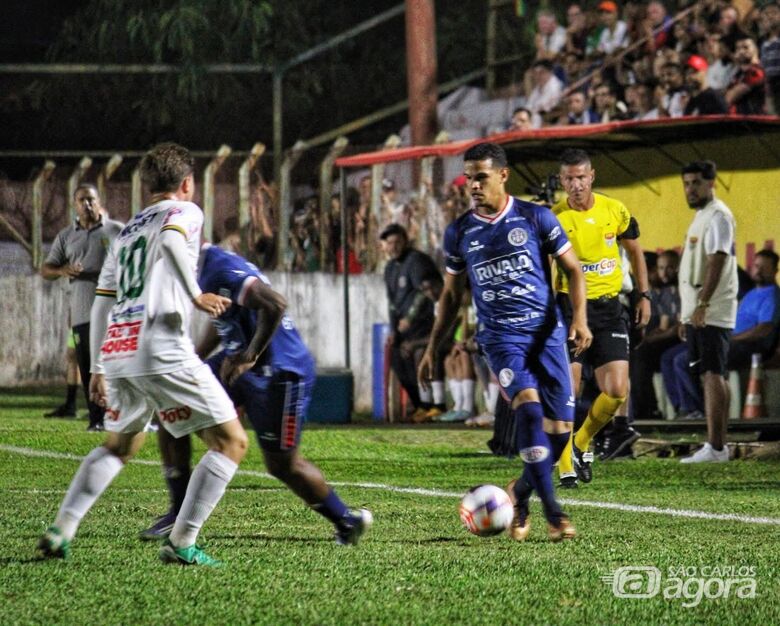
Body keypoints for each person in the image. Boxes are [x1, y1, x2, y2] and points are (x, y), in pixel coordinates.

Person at [37, 142, 248, 566]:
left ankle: (62, 529)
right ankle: (182, 541)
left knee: (119, 445)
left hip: (119, 348)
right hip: (161, 347)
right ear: (186, 183)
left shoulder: (128, 230)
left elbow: (102, 301)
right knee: (231, 442)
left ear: (147, 186)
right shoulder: (185, 211)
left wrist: (98, 366)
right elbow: (170, 242)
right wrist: (196, 294)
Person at [140, 243, 372, 545]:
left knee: (282, 465)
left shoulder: (219, 268)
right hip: (238, 361)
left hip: (280, 372)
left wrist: (250, 355)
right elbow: (224, 316)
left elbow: (275, 304)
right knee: (172, 402)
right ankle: (177, 511)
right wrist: (195, 358)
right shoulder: (202, 268)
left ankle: (346, 521)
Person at [418, 142, 592, 542]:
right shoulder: (460, 232)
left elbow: (573, 269)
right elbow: (451, 296)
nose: (473, 186)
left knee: (560, 433)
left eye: (481, 177)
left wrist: (580, 319)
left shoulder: (536, 217)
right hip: (501, 338)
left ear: (503, 175)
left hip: (546, 334)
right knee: (529, 410)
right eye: (469, 178)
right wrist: (432, 347)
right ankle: (555, 514)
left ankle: (521, 493)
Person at [552, 148, 651, 488]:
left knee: (617, 390)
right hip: (570, 309)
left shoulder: (615, 210)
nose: (576, 185)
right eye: (569, 179)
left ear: (592, 176)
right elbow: (544, 267)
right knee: (569, 389)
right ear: (562, 180)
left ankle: (581, 441)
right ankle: (566, 461)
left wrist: (643, 295)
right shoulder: (555, 218)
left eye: (581, 177)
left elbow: (636, 253)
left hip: (609, 310)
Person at [41, 184, 124, 431]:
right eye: (82, 200)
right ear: (74, 205)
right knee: (87, 366)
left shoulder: (116, 230)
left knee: (118, 363)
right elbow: (46, 269)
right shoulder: (66, 236)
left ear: (99, 201)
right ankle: (96, 419)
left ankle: (121, 415)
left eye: (91, 199)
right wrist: (62, 270)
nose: (87, 204)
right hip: (81, 311)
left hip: (114, 311)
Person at [678, 160, 739, 463]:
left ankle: (715, 447)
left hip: (711, 309)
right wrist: (686, 313)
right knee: (713, 373)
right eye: (687, 184)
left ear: (712, 183)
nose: (690, 189)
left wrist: (702, 304)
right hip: (700, 309)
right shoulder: (702, 216)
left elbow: (717, 261)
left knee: (712, 373)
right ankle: (718, 446)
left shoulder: (718, 216)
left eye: (696, 183)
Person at [382, 223, 445, 422]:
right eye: (389, 243)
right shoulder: (390, 268)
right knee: (397, 359)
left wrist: (410, 317)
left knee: (418, 354)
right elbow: (392, 303)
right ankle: (419, 404)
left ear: (405, 241)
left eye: (397, 242)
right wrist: (393, 329)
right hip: (403, 329)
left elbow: (424, 292)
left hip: (423, 326)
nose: (393, 247)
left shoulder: (416, 261)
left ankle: (433, 405)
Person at [629, 250, 681, 421]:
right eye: (661, 268)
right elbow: (663, 327)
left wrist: (648, 339)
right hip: (661, 340)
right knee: (635, 353)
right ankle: (643, 409)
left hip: (678, 340)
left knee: (641, 353)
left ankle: (649, 410)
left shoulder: (673, 290)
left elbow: (673, 329)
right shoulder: (650, 293)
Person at [726, 36, 767, 114]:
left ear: (756, 49)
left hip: (754, 118)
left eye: (746, 47)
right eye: (738, 48)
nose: (741, 51)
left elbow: (729, 98)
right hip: (740, 117)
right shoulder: (738, 73)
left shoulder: (757, 71)